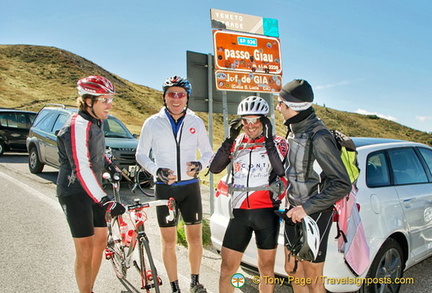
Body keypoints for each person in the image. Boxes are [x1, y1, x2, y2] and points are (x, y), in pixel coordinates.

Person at [135, 75, 212, 293]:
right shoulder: (152, 123)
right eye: (171, 94)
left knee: (195, 239)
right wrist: (156, 171)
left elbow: (208, 153)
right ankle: (174, 286)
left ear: (187, 98)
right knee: (168, 241)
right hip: (165, 189)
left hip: (190, 188)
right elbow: (141, 154)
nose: (176, 99)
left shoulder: (195, 122)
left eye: (181, 94)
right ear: (164, 97)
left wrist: (200, 165)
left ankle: (195, 282)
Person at [275, 79, 351, 293]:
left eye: (280, 103)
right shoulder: (294, 130)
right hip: (292, 210)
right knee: (292, 269)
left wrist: (305, 209)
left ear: (291, 107)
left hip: (314, 214)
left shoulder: (319, 136)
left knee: (312, 278)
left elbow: (341, 184)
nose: (278, 107)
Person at [209, 96, 288, 293]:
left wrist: (268, 140)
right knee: (227, 269)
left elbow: (280, 170)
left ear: (265, 121)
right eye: (246, 120)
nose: (250, 125)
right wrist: (229, 139)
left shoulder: (278, 142)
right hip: (240, 215)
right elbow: (215, 167)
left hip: (266, 214)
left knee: (267, 271)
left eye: (256, 120)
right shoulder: (237, 143)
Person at [56, 75, 126, 293]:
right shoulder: (77, 125)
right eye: (104, 99)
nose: (109, 104)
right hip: (75, 191)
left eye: (110, 99)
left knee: (99, 243)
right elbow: (81, 167)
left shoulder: (97, 122)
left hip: (93, 190)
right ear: (88, 101)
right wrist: (105, 201)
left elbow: (94, 152)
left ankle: (89, 288)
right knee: (85, 248)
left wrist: (109, 165)